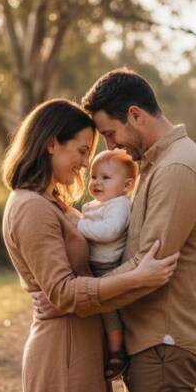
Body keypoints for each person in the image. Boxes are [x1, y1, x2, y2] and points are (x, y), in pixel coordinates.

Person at [33, 68, 196, 392]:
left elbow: (148, 268)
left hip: (165, 341)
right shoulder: (156, 163)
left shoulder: (177, 168)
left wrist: (73, 301)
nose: (110, 147)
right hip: (151, 340)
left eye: (109, 133)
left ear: (135, 115)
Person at [0, 98, 179, 392]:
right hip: (62, 352)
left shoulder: (52, 202)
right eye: (82, 151)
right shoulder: (31, 207)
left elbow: (67, 288)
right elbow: (62, 292)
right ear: (52, 143)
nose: (86, 163)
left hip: (78, 346)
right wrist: (138, 278)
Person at [67, 148, 138, 380]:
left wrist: (79, 226)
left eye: (106, 178)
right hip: (93, 265)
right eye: (94, 176)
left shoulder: (120, 205)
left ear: (127, 186)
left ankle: (118, 352)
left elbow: (109, 232)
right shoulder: (96, 205)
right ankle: (107, 347)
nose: (97, 182)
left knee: (109, 311)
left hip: (107, 267)